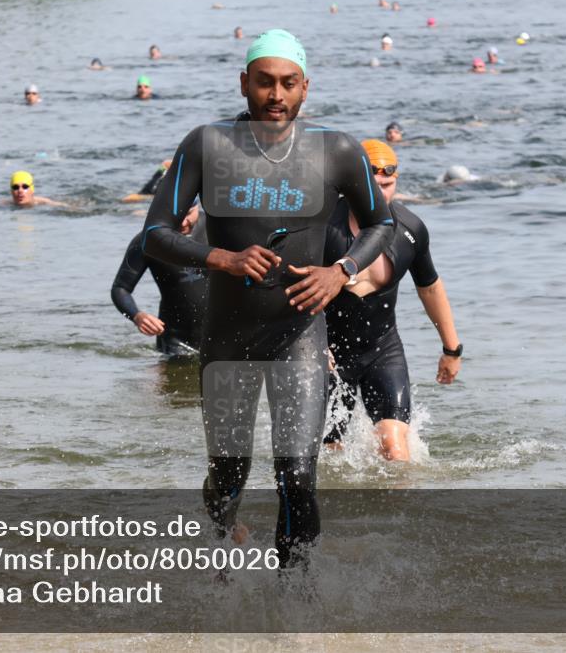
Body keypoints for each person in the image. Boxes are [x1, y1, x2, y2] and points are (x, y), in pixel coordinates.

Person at [141, 29, 393, 569]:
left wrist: (342, 270)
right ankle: (221, 554)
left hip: (299, 334)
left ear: (306, 89)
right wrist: (221, 259)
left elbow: (383, 223)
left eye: (287, 83)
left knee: (298, 476)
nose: (275, 95)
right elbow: (155, 233)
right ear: (243, 85)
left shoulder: (338, 150)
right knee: (229, 475)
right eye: (264, 83)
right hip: (228, 335)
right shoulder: (207, 145)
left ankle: (293, 602)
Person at [324, 140, 462, 461]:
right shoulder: (322, 226)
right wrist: (313, 342)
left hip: (382, 351)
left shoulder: (410, 229)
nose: (382, 195)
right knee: (330, 456)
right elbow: (294, 285)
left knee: (395, 450)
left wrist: (451, 349)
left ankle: (400, 510)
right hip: (328, 354)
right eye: (374, 186)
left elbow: (430, 287)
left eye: (388, 185)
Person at [112, 206, 208, 356]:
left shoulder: (216, 228)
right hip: (175, 343)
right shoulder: (148, 240)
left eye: (188, 213)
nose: (183, 222)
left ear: (197, 206)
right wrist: (137, 316)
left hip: (220, 335)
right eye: (176, 216)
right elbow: (120, 288)